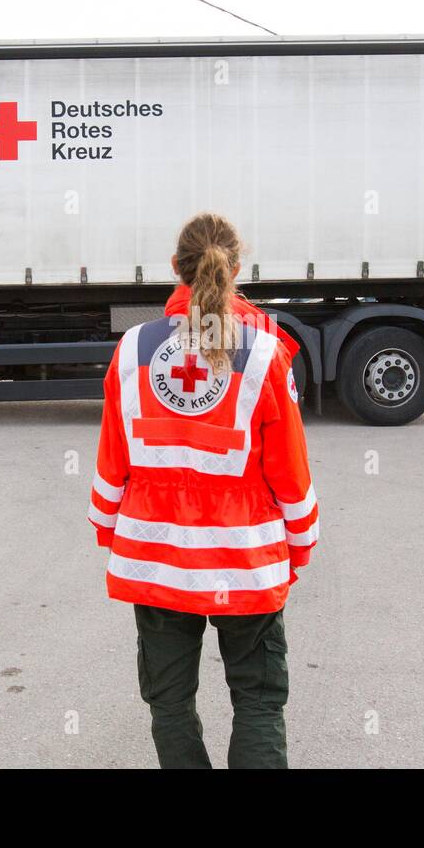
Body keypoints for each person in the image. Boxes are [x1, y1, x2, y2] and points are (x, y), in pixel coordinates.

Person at [88, 212, 319, 769]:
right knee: (258, 700)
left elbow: (113, 462)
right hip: (244, 560)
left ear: (176, 267)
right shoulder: (263, 352)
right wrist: (300, 544)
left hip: (156, 558)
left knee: (169, 701)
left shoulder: (132, 349)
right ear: (236, 270)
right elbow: (290, 472)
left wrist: (111, 531)